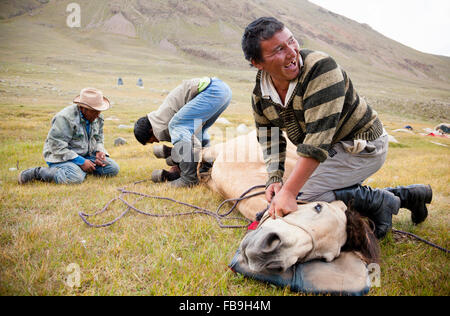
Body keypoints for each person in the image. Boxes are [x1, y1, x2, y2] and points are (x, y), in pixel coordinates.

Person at [242, 17, 432, 239]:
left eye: (292, 41)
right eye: (279, 49)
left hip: (363, 144)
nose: (292, 52)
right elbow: (270, 137)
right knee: (292, 192)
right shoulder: (260, 95)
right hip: (331, 150)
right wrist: (275, 178)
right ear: (258, 63)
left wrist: (289, 192)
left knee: (303, 196)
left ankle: (381, 202)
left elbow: (316, 142)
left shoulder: (321, 69)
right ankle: (406, 196)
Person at [134, 77, 232, 188]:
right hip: (222, 90)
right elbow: (191, 140)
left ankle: (189, 179)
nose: (157, 141)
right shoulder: (160, 117)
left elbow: (184, 144)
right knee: (198, 130)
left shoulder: (162, 124)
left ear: (151, 131)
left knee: (177, 126)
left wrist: (176, 160)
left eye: (152, 140)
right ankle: (205, 167)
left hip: (212, 91)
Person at [19, 88, 120, 185]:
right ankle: (37, 172)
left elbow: (99, 138)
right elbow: (57, 147)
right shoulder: (64, 118)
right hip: (61, 157)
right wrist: (81, 161)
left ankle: (78, 170)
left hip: (86, 155)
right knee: (75, 178)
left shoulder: (97, 118)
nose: (98, 114)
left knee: (112, 168)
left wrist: (99, 151)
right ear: (83, 108)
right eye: (94, 111)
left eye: (99, 110)